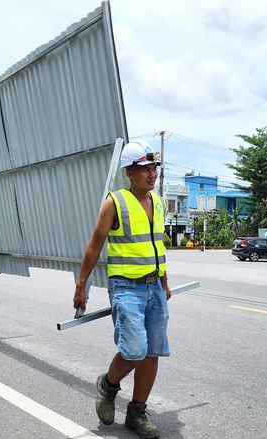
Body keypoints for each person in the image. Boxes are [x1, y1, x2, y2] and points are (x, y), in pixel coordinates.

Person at [73, 140, 171, 439]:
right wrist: (81, 286)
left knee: (152, 353)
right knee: (134, 351)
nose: (151, 174)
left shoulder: (160, 203)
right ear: (130, 173)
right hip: (125, 287)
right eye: (144, 169)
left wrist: (164, 282)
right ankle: (108, 385)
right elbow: (94, 246)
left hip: (154, 286)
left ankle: (137, 412)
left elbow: (158, 246)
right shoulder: (114, 203)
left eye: (154, 168)